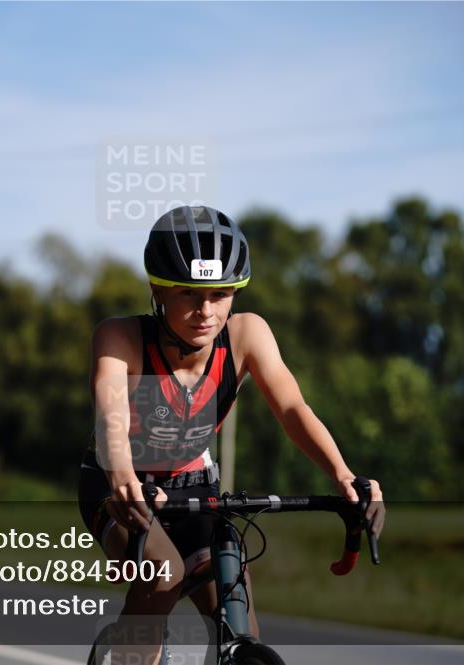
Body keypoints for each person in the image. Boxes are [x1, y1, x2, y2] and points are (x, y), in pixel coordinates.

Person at [77, 205, 385, 665]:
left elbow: (292, 409)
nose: (206, 311)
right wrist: (123, 476)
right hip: (119, 484)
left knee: (236, 608)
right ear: (157, 289)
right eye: (189, 295)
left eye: (221, 295)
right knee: (164, 575)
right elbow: (111, 416)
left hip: (194, 484)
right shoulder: (120, 336)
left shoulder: (247, 334)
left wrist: (344, 476)